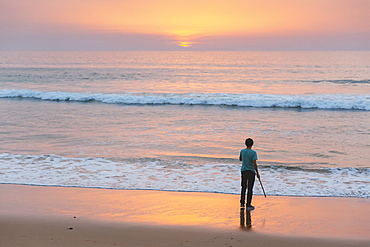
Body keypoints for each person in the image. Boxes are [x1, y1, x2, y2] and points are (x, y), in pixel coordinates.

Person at [239, 138, 260, 210]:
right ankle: (248, 204)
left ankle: (242, 203)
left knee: (243, 187)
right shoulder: (253, 153)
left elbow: (240, 159)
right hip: (251, 171)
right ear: (252, 144)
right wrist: (257, 173)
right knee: (250, 188)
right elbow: (254, 164)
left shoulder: (242, 151)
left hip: (244, 171)